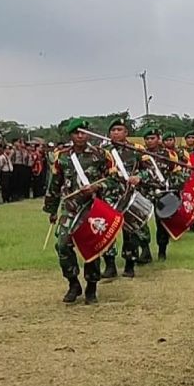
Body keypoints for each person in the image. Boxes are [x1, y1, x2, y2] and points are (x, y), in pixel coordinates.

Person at [43, 118, 118, 304]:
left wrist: (96, 187)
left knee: (92, 246)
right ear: (71, 135)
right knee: (62, 245)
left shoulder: (101, 155)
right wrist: (52, 210)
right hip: (70, 207)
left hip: (92, 208)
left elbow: (114, 180)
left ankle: (91, 287)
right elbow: (55, 184)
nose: (80, 136)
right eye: (76, 133)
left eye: (83, 132)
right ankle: (73, 283)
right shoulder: (62, 157)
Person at [101, 118, 153, 278]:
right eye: (113, 130)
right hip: (108, 196)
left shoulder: (136, 150)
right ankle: (110, 265)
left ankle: (130, 264)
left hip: (128, 195)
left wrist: (139, 177)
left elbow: (150, 170)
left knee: (130, 231)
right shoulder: (103, 151)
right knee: (106, 230)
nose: (116, 133)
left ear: (126, 132)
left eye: (119, 130)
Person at [143, 127, 188, 261]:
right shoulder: (140, 155)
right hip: (145, 193)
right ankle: (145, 251)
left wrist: (174, 186)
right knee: (140, 222)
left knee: (162, 223)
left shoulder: (169, 155)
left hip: (162, 193)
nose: (149, 141)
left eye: (152, 138)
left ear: (159, 139)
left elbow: (178, 172)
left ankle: (162, 251)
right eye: (147, 139)